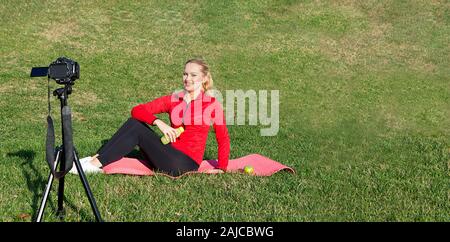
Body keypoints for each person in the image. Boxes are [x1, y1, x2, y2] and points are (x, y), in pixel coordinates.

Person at [71, 58, 230, 177]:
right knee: (134, 122)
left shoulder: (211, 104)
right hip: (167, 154)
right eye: (185, 74)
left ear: (203, 79)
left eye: (193, 75)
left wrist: (221, 167)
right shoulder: (174, 100)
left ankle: (93, 165)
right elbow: (137, 110)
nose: (187, 78)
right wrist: (159, 122)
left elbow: (223, 137)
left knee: (138, 130)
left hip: (184, 164)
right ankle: (96, 159)